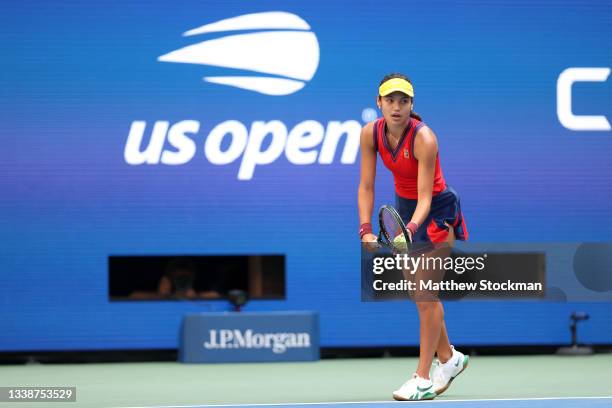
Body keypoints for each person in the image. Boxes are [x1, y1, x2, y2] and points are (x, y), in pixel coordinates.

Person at [358, 73, 469, 401]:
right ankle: (449, 359)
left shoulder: (424, 139)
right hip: (403, 209)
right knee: (420, 295)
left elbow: (425, 198)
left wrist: (409, 229)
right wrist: (365, 228)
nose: (396, 107)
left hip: (436, 212)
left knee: (425, 293)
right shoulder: (370, 134)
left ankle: (422, 377)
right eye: (389, 100)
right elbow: (366, 185)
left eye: (403, 100)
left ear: (411, 104)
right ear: (378, 103)